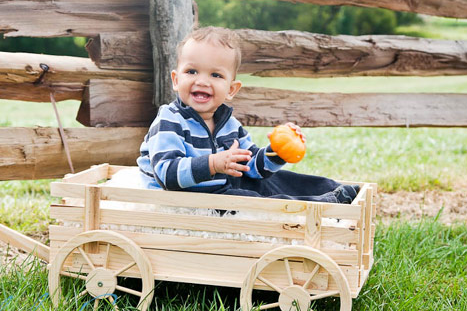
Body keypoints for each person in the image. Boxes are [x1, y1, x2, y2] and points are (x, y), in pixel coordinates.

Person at [137, 26, 358, 203]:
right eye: (191, 71)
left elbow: (251, 167)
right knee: (250, 200)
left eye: (215, 74)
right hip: (184, 198)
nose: (202, 81)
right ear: (176, 80)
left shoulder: (229, 125)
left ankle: (331, 191)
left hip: (220, 189)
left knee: (274, 182)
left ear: (231, 89)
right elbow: (166, 173)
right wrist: (214, 163)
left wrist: (277, 152)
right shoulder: (169, 120)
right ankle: (321, 204)